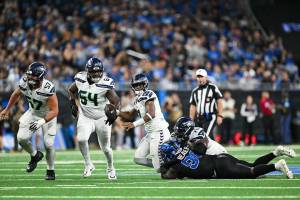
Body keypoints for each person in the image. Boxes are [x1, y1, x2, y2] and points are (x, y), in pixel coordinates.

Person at [159, 119, 296, 179]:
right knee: (252, 166)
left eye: (181, 130)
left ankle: (277, 166)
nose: (178, 133)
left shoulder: (196, 133)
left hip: (217, 155)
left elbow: (200, 150)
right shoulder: (185, 142)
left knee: (252, 172)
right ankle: (275, 152)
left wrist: (176, 158)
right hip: (214, 160)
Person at [0, 62, 58, 180]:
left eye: (34, 77)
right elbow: (16, 94)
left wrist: (42, 121)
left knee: (49, 144)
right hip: (32, 112)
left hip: (48, 116)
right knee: (21, 138)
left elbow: (55, 110)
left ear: (41, 77)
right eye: (29, 76)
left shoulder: (48, 88)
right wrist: (7, 109)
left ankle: (50, 170)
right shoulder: (24, 82)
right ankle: (35, 155)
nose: (30, 79)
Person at [68, 57, 120, 180]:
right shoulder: (80, 78)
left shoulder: (105, 83)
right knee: (81, 139)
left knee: (106, 148)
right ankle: (88, 165)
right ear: (88, 71)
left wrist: (115, 113)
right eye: (94, 72)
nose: (96, 74)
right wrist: (72, 103)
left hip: (102, 118)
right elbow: (71, 90)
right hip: (85, 116)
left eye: (98, 71)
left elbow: (116, 100)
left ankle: (111, 168)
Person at [111, 73, 171, 172]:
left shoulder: (149, 94)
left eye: (140, 85)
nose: (138, 87)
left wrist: (134, 124)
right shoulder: (137, 100)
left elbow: (151, 114)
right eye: (136, 85)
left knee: (159, 169)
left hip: (159, 132)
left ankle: (168, 165)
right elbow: (130, 115)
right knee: (138, 158)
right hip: (150, 134)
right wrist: (116, 112)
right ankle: (163, 164)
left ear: (145, 84)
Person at [189, 68, 223, 139]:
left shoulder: (212, 87)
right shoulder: (195, 91)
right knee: (204, 137)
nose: (200, 78)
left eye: (201, 76)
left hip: (210, 117)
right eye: (198, 77)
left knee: (205, 136)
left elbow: (219, 100)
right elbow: (193, 106)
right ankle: (215, 149)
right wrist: (191, 120)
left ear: (206, 77)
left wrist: (220, 115)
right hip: (199, 118)